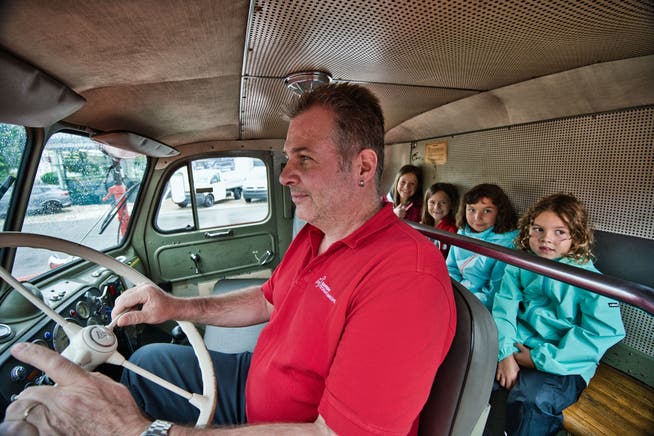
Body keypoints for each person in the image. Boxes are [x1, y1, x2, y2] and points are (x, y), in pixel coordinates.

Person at [2, 83, 456, 435]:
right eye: (285, 158)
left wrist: (137, 429)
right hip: (253, 382)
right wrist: (176, 306)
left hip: (296, 424)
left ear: (362, 167)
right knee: (154, 361)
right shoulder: (317, 232)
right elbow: (267, 300)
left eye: (304, 159)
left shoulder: (406, 279)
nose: (284, 175)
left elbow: (333, 432)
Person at [487, 193, 625, 435]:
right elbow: (504, 308)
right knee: (478, 378)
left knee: (532, 400)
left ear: (577, 236)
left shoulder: (592, 282)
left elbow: (600, 334)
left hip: (564, 362)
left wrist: (538, 359)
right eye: (538, 229)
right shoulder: (520, 265)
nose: (546, 239)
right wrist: (505, 353)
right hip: (517, 347)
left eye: (559, 232)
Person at [446, 183, 518, 309]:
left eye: (487, 211)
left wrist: (465, 302)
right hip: (457, 294)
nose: (477, 217)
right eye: (472, 210)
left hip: (480, 304)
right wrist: (452, 293)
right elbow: (450, 268)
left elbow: (495, 290)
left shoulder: (507, 243)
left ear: (499, 213)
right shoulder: (462, 232)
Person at [421, 182, 459, 258]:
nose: (436, 207)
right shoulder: (422, 225)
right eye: (432, 202)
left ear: (451, 205)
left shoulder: (453, 231)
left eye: (443, 203)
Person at [102, 171, 131, 237]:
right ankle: (124, 235)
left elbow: (127, 193)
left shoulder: (123, 186)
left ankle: (125, 234)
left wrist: (105, 198)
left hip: (124, 208)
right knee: (122, 220)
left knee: (125, 219)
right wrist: (105, 198)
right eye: (116, 178)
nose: (117, 180)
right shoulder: (113, 188)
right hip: (120, 209)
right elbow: (107, 196)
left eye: (118, 178)